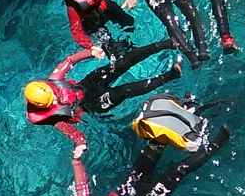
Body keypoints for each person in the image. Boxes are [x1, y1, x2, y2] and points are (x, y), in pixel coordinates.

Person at [72, 104, 229, 196]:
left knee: (151, 151)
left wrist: (77, 160)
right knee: (178, 170)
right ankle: (218, 142)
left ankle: (187, 114)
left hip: (127, 189)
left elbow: (81, 186)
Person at [24, 39, 179, 157]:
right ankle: (172, 75)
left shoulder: (54, 79)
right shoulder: (54, 119)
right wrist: (80, 145)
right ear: (45, 107)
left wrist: (90, 53)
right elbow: (74, 134)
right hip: (93, 104)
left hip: (88, 83)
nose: (57, 100)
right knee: (125, 90)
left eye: (55, 95)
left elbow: (69, 61)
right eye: (53, 102)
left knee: (122, 63)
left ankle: (165, 44)